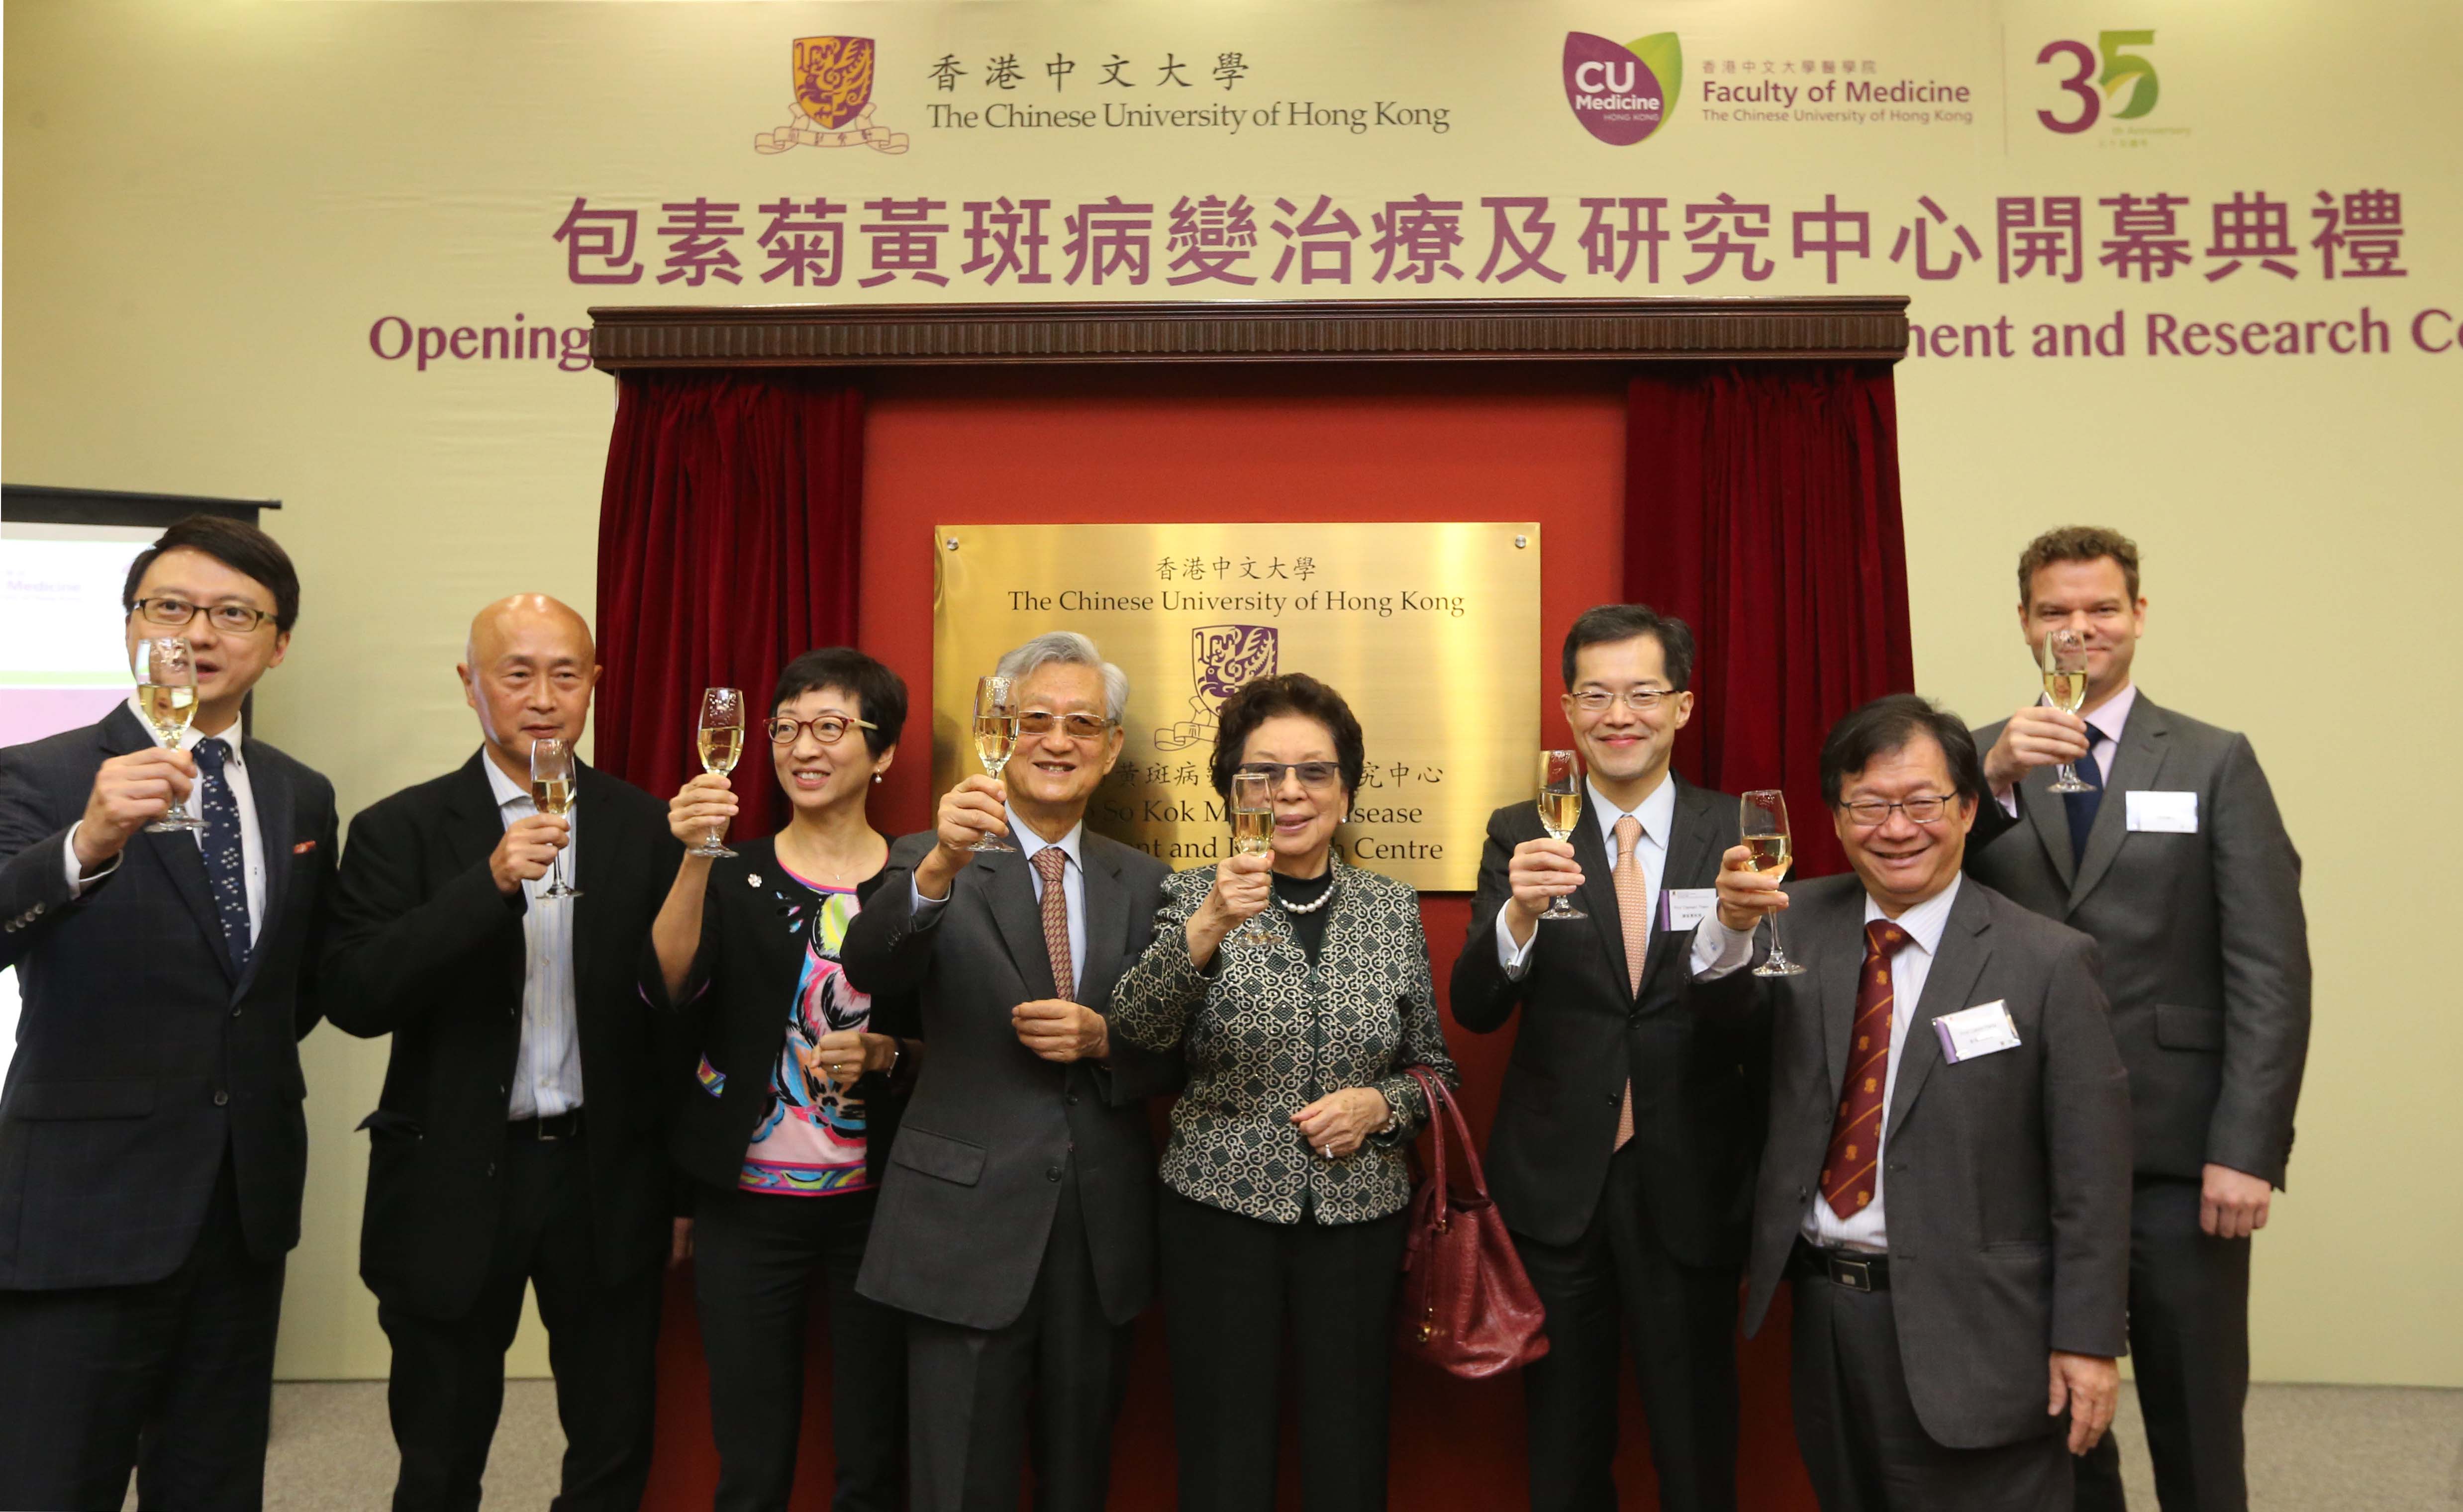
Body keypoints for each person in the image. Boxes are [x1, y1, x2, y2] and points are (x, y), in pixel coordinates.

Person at [1699, 694, 2131, 1512]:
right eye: (1869, 805)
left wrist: (2088, 1340)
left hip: (1984, 1332)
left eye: (1923, 802)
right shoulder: (1795, 927)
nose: (1896, 828)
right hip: (1829, 1317)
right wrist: (1726, 927)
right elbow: (1718, 1025)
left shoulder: (2048, 963)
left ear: (1969, 808)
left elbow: (2093, 1174)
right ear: (1835, 816)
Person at [1964, 527, 2309, 1512]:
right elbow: (1923, 901)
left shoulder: (2212, 760)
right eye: (2055, 611)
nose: (2078, 630)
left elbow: (2268, 968)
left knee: (2196, 1431)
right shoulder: (1978, 765)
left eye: (2100, 608)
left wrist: (2246, 1145)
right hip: (2021, 1154)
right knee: (2052, 1435)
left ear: (2138, 615)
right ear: (2024, 622)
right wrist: (1986, 783)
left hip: (2176, 1159)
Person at [0, 515, 337, 1511]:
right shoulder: (42, 773)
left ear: (277, 644)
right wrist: (88, 840)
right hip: (82, 1210)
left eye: (234, 612)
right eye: (170, 606)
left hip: (241, 1211)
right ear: (130, 626)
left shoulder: (300, 796)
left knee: (215, 1485)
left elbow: (288, 990)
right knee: (51, 1485)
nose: (197, 632)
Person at [322, 594, 682, 1512]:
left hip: (604, 1177)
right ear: (471, 686)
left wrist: (682, 1190)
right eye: (516, 674)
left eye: (566, 674)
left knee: (614, 1443)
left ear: (596, 685)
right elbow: (356, 998)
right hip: (451, 1174)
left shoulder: (645, 827)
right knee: (439, 1454)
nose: (542, 697)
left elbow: (674, 1023)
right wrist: (484, 884)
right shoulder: (400, 830)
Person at [839, 631, 1180, 1512]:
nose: (1057, 741)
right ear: (1001, 733)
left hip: (1099, 1226)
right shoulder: (929, 855)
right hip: (962, 1225)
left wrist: (1109, 1040)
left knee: (1081, 1475)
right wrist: (944, 867)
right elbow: (871, 966)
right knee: (957, 1481)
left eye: (1082, 724)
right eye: (1035, 720)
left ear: (1109, 751)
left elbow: (1181, 1047)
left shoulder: (1145, 881)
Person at [1111, 672, 1461, 1512]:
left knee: (1350, 1446)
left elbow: (1436, 1073)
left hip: (1359, 1222)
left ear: (1347, 790)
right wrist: (1206, 932)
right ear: (1233, 792)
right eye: (1263, 773)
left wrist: (1384, 1108)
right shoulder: (1191, 894)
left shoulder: (1390, 907)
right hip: (1218, 1215)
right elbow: (1136, 1033)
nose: (1290, 792)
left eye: (1315, 772)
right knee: (1224, 1451)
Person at [1450, 604, 1759, 1512]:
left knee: (1697, 1444)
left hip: (1691, 1173)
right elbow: (1475, 1005)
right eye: (1596, 695)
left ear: (1683, 707)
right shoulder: (1523, 831)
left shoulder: (1736, 831)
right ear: (1569, 709)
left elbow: (1760, 1022)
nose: (1618, 715)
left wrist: (1734, 937)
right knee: (1564, 1446)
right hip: (1557, 1186)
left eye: (1642, 694)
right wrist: (1518, 916)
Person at [648, 648, 920, 1512]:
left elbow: (951, 1039)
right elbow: (667, 987)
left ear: (882, 755)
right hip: (746, 1205)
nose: (804, 746)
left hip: (880, 1204)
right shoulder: (734, 871)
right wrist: (697, 856)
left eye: (832, 727)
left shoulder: (918, 880)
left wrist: (886, 1054)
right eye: (788, 727)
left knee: (874, 1449)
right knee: (752, 1451)